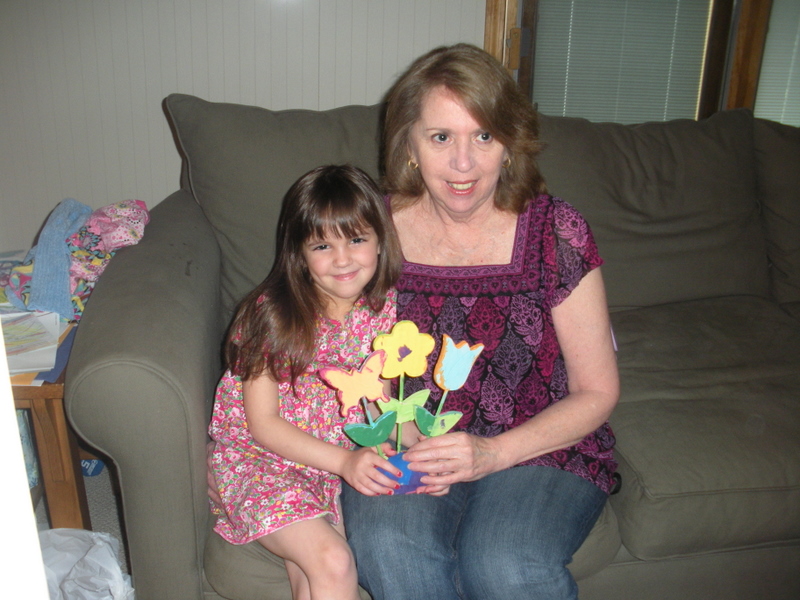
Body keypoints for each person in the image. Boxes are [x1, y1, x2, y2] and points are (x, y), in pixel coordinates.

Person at [339, 43, 620, 600]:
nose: (463, 164)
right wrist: (402, 433)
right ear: (409, 144)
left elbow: (597, 390)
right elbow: (340, 353)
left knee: (504, 565)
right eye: (441, 137)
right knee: (392, 549)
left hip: (538, 447)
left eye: (484, 136)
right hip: (410, 442)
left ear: (510, 143)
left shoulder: (556, 231)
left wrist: (492, 453)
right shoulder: (371, 234)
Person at [208, 164, 407, 600]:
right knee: (335, 562)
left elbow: (382, 405)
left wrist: (423, 440)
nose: (342, 259)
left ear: (381, 240)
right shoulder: (271, 315)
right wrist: (345, 463)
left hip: (327, 474)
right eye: (322, 245)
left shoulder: (387, 311)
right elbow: (263, 425)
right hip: (261, 464)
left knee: (318, 577)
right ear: (299, 252)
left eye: (357, 240)